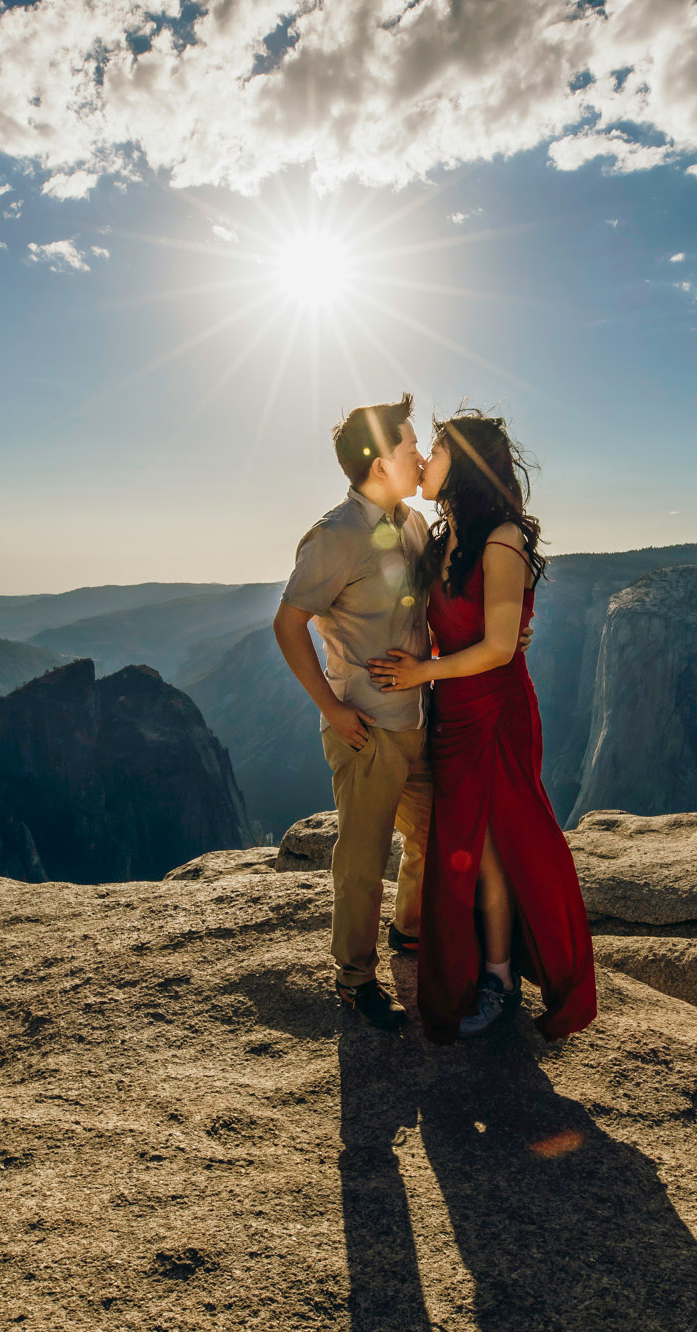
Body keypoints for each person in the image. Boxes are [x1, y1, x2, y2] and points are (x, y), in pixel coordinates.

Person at [367, 410, 596, 1044]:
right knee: (461, 841)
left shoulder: (500, 540)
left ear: (462, 463)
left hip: (495, 710)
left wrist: (421, 673)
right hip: (452, 713)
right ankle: (482, 965)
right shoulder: (443, 539)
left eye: (434, 452)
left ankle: (497, 976)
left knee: (497, 848)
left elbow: (498, 649)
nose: (425, 464)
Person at [273, 395, 434, 1033]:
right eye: (410, 446)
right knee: (363, 861)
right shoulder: (335, 536)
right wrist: (331, 708)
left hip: (418, 720)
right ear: (378, 462)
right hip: (364, 727)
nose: (420, 456)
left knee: (432, 833)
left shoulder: (413, 525)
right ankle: (355, 978)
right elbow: (288, 625)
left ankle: (409, 932)